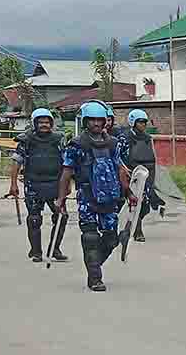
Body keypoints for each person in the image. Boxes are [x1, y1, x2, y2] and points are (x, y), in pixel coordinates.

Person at [57, 101, 135, 292]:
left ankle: (94, 264)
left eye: (100, 120)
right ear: (85, 121)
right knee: (90, 238)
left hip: (111, 198)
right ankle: (95, 278)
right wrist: (61, 198)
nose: (96, 123)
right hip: (87, 198)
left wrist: (129, 192)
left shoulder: (113, 144)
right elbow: (67, 172)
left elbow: (120, 169)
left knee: (110, 239)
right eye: (92, 120)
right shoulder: (76, 145)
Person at [9, 108, 68, 263]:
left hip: (55, 184)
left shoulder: (59, 139)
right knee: (34, 219)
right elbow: (16, 162)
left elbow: (67, 163)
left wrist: (68, 184)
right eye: (41, 122)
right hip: (33, 184)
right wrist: (13, 184)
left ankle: (54, 248)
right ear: (35, 123)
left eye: (47, 122)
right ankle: (36, 251)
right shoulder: (26, 140)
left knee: (62, 217)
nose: (44, 125)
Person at [117, 109, 165, 242]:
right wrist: (125, 171)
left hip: (147, 173)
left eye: (145, 122)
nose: (143, 124)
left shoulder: (148, 139)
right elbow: (118, 157)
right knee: (134, 202)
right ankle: (137, 230)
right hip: (131, 174)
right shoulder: (124, 138)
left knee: (145, 206)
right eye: (140, 122)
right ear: (133, 122)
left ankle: (133, 223)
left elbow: (153, 156)